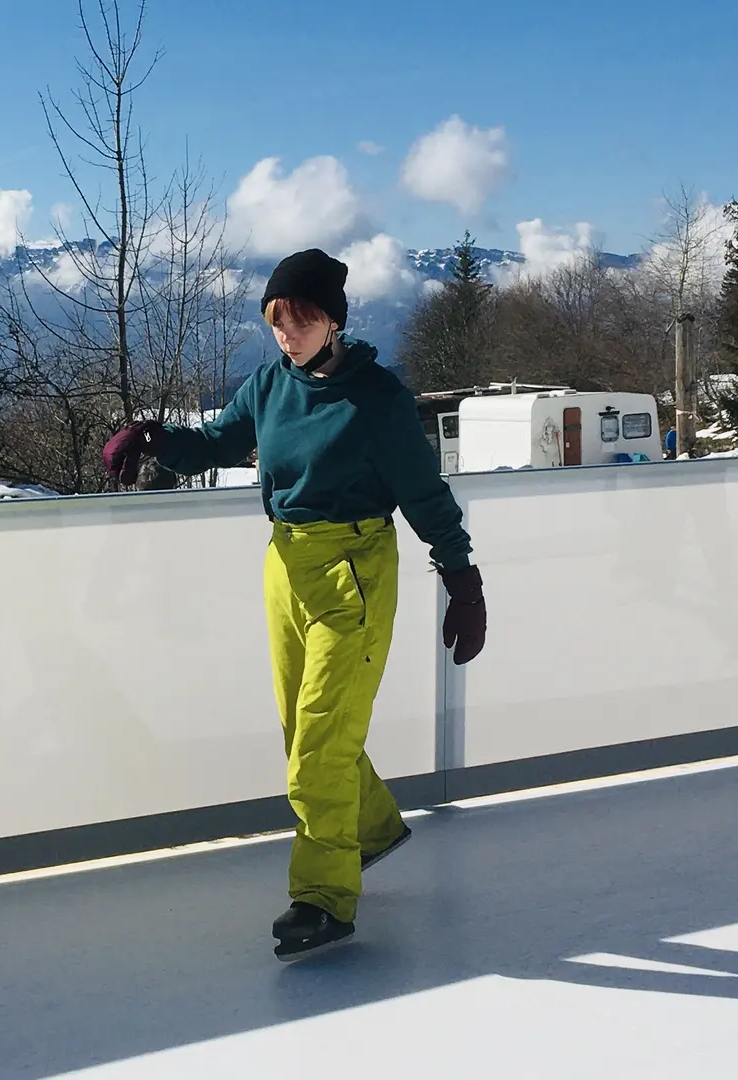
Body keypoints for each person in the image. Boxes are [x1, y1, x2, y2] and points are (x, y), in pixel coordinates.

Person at [102, 248, 487, 961]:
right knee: (305, 730)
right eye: (278, 321)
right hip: (285, 566)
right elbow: (218, 440)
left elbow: (424, 494)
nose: (289, 334)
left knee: (317, 744)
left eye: (303, 320)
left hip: (354, 572)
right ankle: (368, 831)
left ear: (334, 320)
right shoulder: (270, 384)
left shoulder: (376, 398)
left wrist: (462, 579)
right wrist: (157, 437)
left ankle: (324, 898)